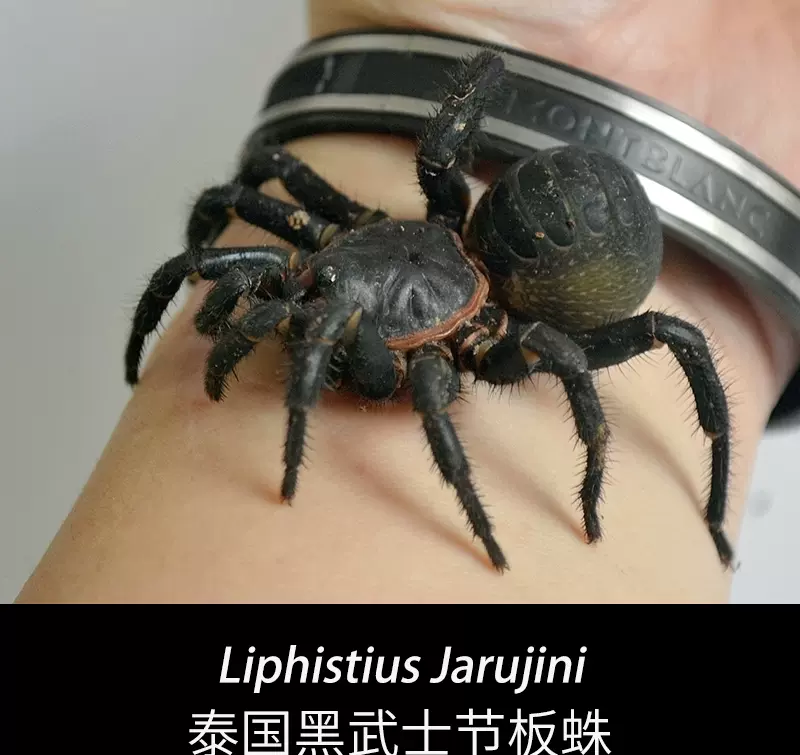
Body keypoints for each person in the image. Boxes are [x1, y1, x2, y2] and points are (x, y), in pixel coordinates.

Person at [16, 0, 800, 603]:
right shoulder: (331, 254)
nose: (304, 296)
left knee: (659, 335)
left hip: (573, 254)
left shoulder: (458, 349)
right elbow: (246, 187)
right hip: (525, 223)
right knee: (228, 222)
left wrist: (592, 468)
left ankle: (484, 521)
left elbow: (552, 361)